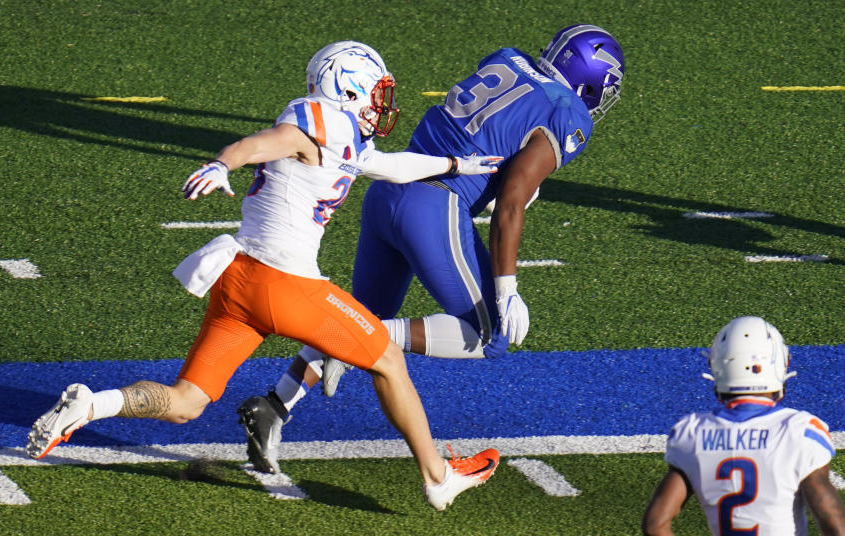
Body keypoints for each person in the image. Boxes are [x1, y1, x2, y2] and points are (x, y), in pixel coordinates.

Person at [25, 41, 505, 510]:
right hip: (286, 283)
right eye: (376, 92)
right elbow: (264, 143)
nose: (383, 103)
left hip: (238, 281)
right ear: (349, 89)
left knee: (185, 402)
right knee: (388, 359)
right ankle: (438, 477)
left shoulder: (341, 135)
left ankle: (91, 405)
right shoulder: (317, 122)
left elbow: (385, 165)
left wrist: (456, 164)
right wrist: (223, 161)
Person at [238, 24, 626, 474]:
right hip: (435, 206)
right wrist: (507, 288)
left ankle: (274, 406)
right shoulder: (566, 111)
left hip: (389, 192)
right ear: (589, 81)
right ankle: (355, 341)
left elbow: (493, 141)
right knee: (489, 335)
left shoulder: (506, 57)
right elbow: (511, 203)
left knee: (354, 315)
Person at [642, 316, 845, 535]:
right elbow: (831, 518)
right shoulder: (799, 431)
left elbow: (656, 524)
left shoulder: (693, 433)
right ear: (780, 364)